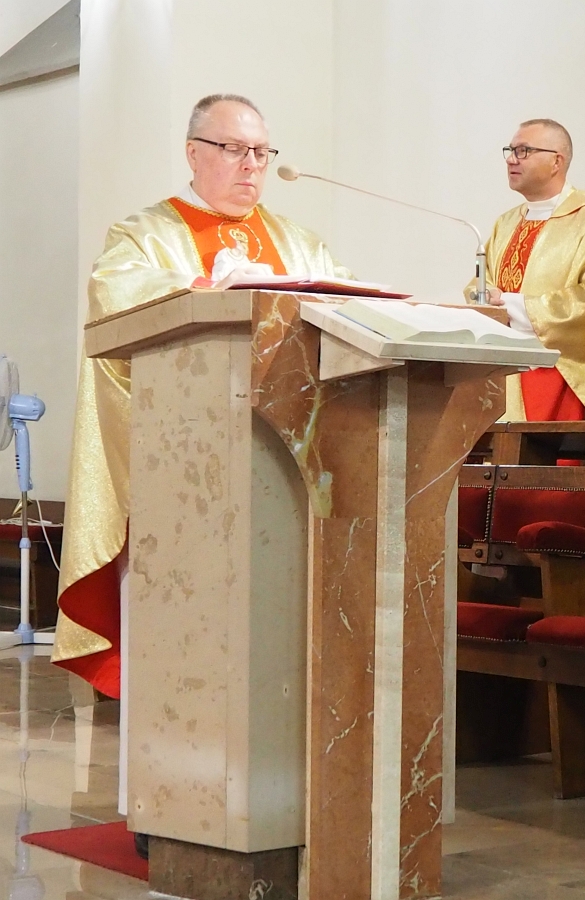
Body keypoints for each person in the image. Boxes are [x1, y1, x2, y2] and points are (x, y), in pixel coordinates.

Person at [53, 94, 351, 813]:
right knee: (181, 639)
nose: (252, 166)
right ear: (193, 152)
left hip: (284, 474)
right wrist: (201, 288)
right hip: (182, 476)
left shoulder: (299, 244)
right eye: (234, 150)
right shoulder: (145, 237)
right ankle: (164, 801)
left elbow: (343, 317)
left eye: (261, 153)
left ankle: (283, 797)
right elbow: (115, 305)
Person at [471, 119, 585, 420]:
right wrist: (483, 295)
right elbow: (480, 281)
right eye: (511, 150)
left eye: (524, 151)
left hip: (558, 377)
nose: (512, 159)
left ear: (556, 161)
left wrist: (513, 306)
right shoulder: (507, 222)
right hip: (503, 373)